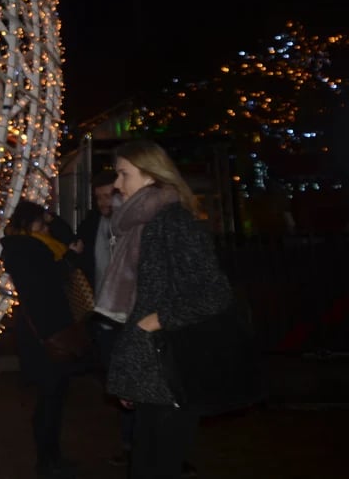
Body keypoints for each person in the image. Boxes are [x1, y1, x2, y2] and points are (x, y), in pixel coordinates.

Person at [102, 140, 232, 479]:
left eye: (123, 174)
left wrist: (154, 322)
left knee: (157, 466)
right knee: (147, 463)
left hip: (172, 369)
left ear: (150, 177)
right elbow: (142, 299)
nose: (117, 184)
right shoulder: (140, 225)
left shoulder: (172, 222)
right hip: (151, 371)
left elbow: (215, 293)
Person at [0, 199, 87, 479]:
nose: (48, 227)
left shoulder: (29, 246)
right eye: (43, 222)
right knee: (50, 397)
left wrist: (51, 219)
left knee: (53, 397)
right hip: (46, 335)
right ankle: (47, 461)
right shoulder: (30, 249)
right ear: (31, 223)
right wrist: (70, 259)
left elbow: (63, 236)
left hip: (44, 332)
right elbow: (48, 285)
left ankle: (51, 457)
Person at [77, 171, 134, 466]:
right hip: (105, 318)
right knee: (119, 383)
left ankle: (155, 447)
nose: (103, 202)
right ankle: (128, 444)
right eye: (98, 197)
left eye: (108, 195)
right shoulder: (91, 226)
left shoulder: (134, 224)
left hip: (133, 316)